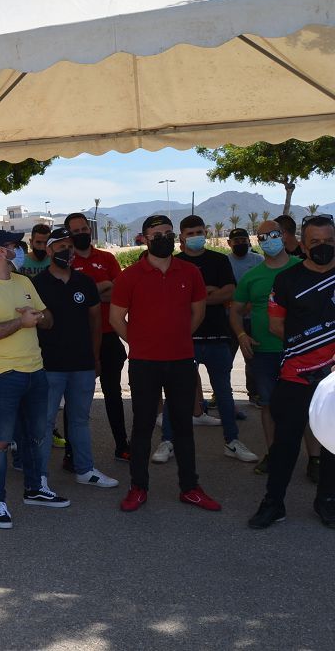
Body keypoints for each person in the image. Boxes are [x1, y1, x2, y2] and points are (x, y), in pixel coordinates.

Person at [110, 215, 221, 513]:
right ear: (144, 238)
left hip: (182, 361)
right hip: (144, 363)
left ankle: (190, 487)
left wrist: (180, 337)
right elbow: (116, 319)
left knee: (184, 427)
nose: (163, 237)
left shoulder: (190, 272)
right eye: (156, 233)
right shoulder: (129, 276)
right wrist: (140, 342)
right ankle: (138, 487)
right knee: (143, 427)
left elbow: (197, 312)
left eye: (167, 233)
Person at [0, 230, 61, 530]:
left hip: (36, 370)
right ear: (0, 251)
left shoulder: (24, 282)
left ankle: (35, 488)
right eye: (13, 246)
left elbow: (48, 320)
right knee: (1, 442)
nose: (18, 250)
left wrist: (38, 318)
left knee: (36, 436)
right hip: (4, 375)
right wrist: (21, 322)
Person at [248, 214, 335, 529]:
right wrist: (308, 351)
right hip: (296, 375)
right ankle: (273, 504)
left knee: (332, 443)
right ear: (302, 242)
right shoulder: (287, 280)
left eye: (328, 242)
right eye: (315, 242)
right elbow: (276, 324)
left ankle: (327, 501)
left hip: (333, 382)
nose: (322, 247)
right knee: (285, 443)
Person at [156, 215, 257, 464]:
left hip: (218, 337)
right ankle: (167, 441)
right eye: (189, 233)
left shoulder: (219, 260)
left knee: (224, 392)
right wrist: (210, 292)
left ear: (207, 232)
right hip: (184, 339)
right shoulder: (174, 263)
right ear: (181, 237)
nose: (195, 237)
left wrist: (194, 296)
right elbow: (171, 299)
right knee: (175, 392)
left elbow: (230, 292)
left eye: (199, 231)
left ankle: (232, 441)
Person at [33, 228, 118, 489]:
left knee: (80, 420)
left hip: (82, 365)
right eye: (60, 247)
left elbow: (95, 322)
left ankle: (85, 469)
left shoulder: (85, 283)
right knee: (44, 422)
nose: (67, 251)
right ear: (48, 251)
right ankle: (39, 477)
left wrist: (95, 358)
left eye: (69, 246)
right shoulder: (36, 285)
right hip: (49, 366)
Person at [230, 221, 300, 476]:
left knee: (305, 406)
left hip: (299, 351)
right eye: (262, 237)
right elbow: (235, 311)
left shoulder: (301, 268)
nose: (268, 240)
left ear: (282, 236)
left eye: (273, 235)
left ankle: (314, 458)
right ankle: (273, 455)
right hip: (264, 353)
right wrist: (241, 335)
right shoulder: (252, 276)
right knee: (268, 405)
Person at [65, 212, 130, 460]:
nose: (81, 234)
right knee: (76, 398)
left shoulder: (107, 258)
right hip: (78, 340)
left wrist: (86, 293)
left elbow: (119, 294)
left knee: (114, 393)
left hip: (109, 336)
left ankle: (122, 445)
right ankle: (71, 453)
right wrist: (101, 289)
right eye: (76, 231)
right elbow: (70, 300)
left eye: (84, 229)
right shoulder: (66, 262)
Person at [227, 228, 263, 405]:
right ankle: (221, 394)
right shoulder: (224, 262)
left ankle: (254, 394)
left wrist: (249, 305)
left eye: (243, 240)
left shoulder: (258, 260)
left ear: (249, 241)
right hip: (231, 320)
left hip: (254, 320)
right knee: (226, 361)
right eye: (236, 241)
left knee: (253, 360)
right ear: (229, 243)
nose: (240, 243)